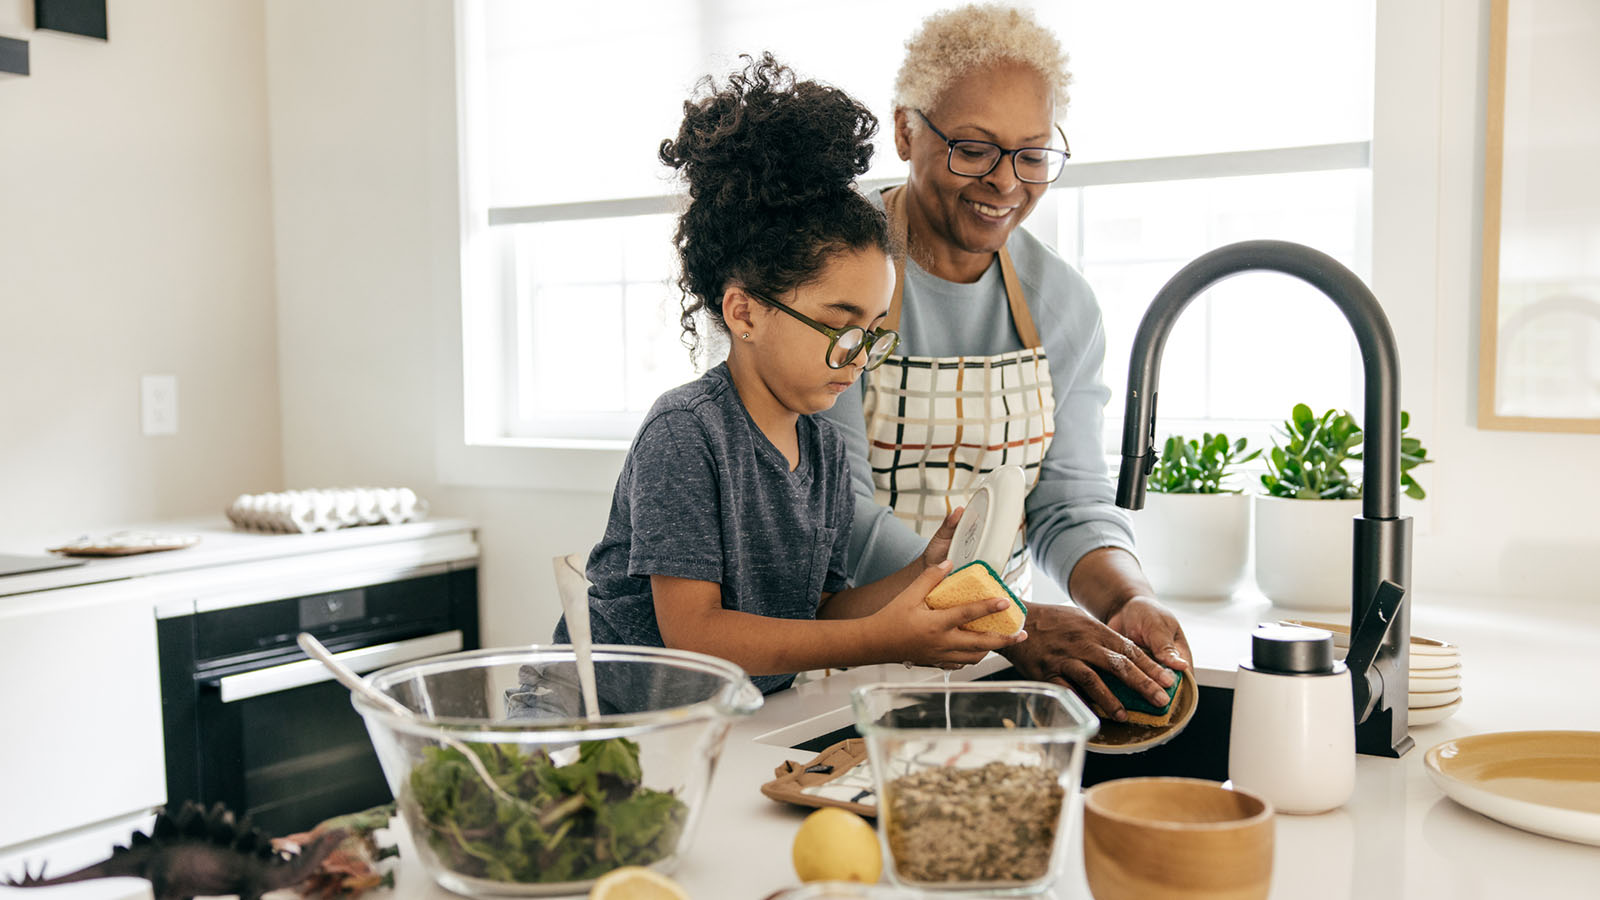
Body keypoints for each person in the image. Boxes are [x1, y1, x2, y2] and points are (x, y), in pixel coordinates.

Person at [544, 53, 1025, 703]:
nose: (858, 356)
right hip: (594, 716)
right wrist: (885, 639)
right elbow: (698, 638)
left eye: (874, 330)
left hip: (717, 719)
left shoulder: (822, 451)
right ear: (744, 311)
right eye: (839, 326)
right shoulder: (686, 434)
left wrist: (925, 570)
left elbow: (819, 611)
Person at [817, 5, 1193, 721]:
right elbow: (840, 516)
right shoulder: (832, 273)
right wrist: (1008, 617)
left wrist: (1127, 598)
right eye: (974, 149)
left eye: (1031, 153)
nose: (1005, 182)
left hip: (991, 660)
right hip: (837, 655)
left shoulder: (1062, 304)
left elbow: (1067, 506)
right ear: (905, 130)